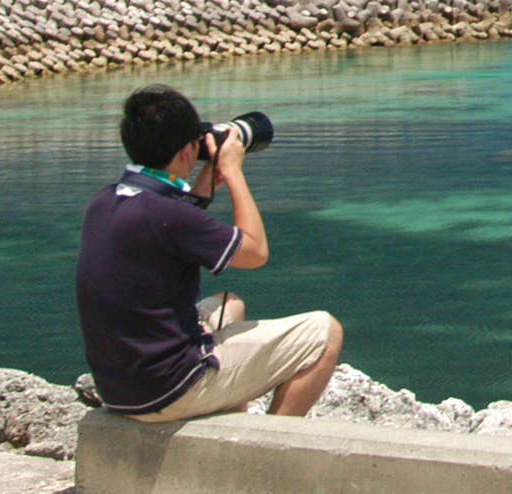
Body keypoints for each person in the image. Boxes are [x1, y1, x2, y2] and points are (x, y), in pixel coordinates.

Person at [74, 85, 343, 420]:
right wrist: (232, 173)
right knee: (326, 332)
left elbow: (171, 227)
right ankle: (270, 449)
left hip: (122, 390)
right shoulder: (168, 215)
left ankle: (230, 420)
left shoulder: (105, 201)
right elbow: (255, 251)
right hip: (171, 390)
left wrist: (205, 182)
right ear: (187, 152)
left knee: (231, 305)